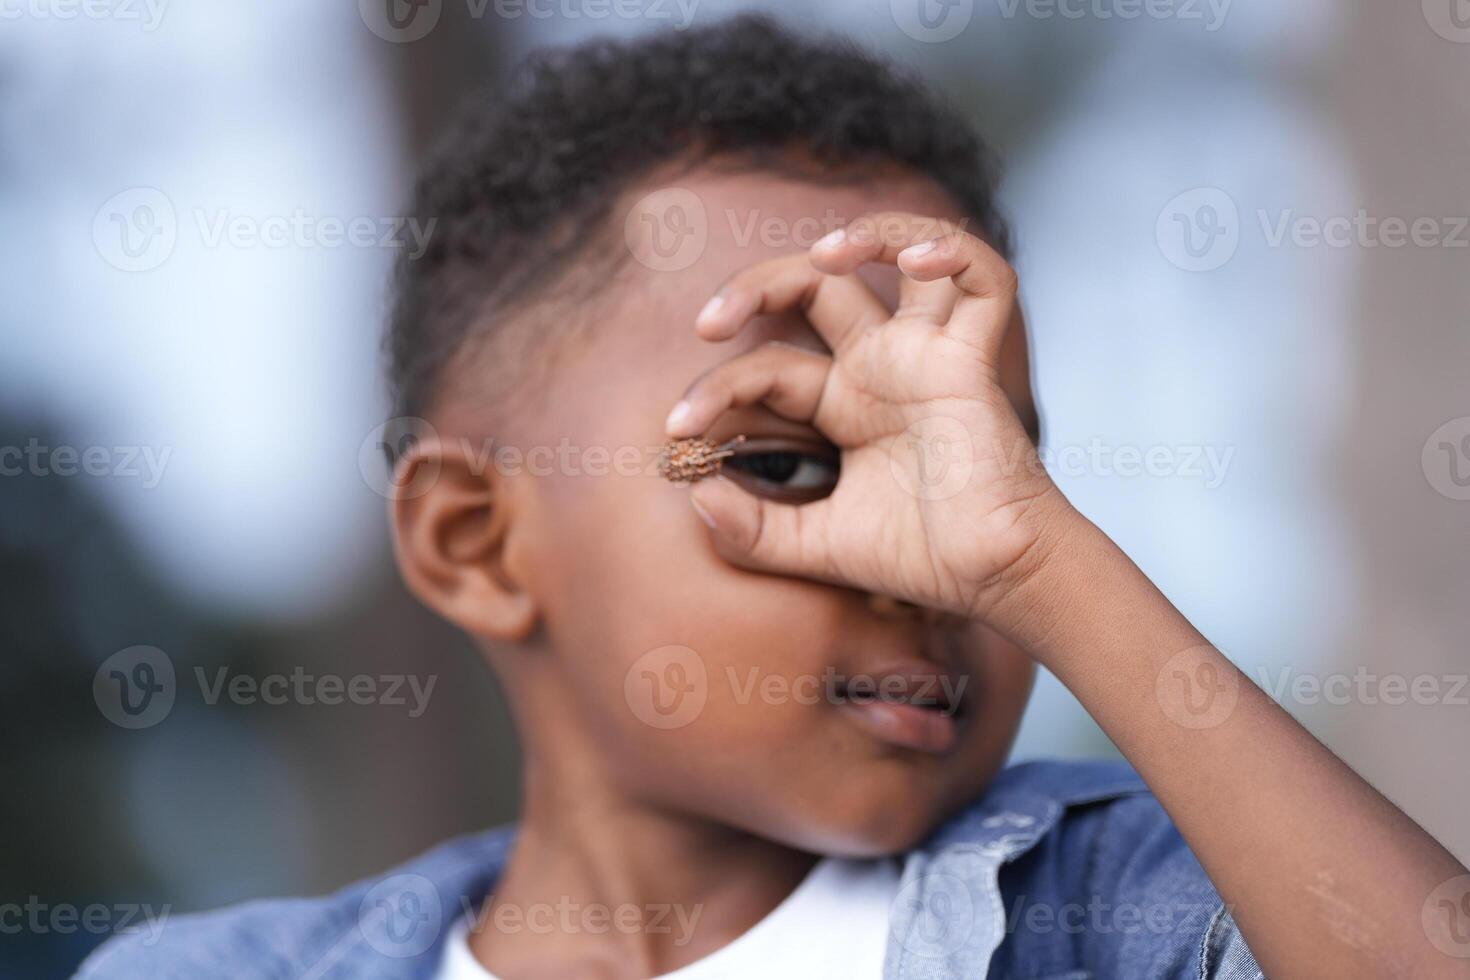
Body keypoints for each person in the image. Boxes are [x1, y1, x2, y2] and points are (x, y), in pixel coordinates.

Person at [78, 15, 1469, 980]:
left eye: (989, 471)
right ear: (476, 542)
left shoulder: (1111, 911)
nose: (927, 565)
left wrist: (1046, 566)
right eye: (788, 461)